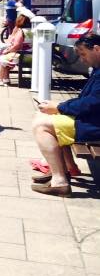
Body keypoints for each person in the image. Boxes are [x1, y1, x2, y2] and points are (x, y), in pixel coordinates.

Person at [32, 34, 100, 196]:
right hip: (93, 119)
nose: (82, 60)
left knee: (41, 126)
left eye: (83, 54)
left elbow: (92, 103)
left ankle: (59, 180)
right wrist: (59, 107)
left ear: (97, 49)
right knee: (41, 116)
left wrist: (60, 107)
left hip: (95, 125)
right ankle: (67, 168)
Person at [0, 14, 29, 85]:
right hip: (29, 55)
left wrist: (7, 51)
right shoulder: (31, 31)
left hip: (22, 55)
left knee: (0, 59)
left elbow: (16, 46)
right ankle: (6, 80)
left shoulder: (21, 32)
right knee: (5, 58)